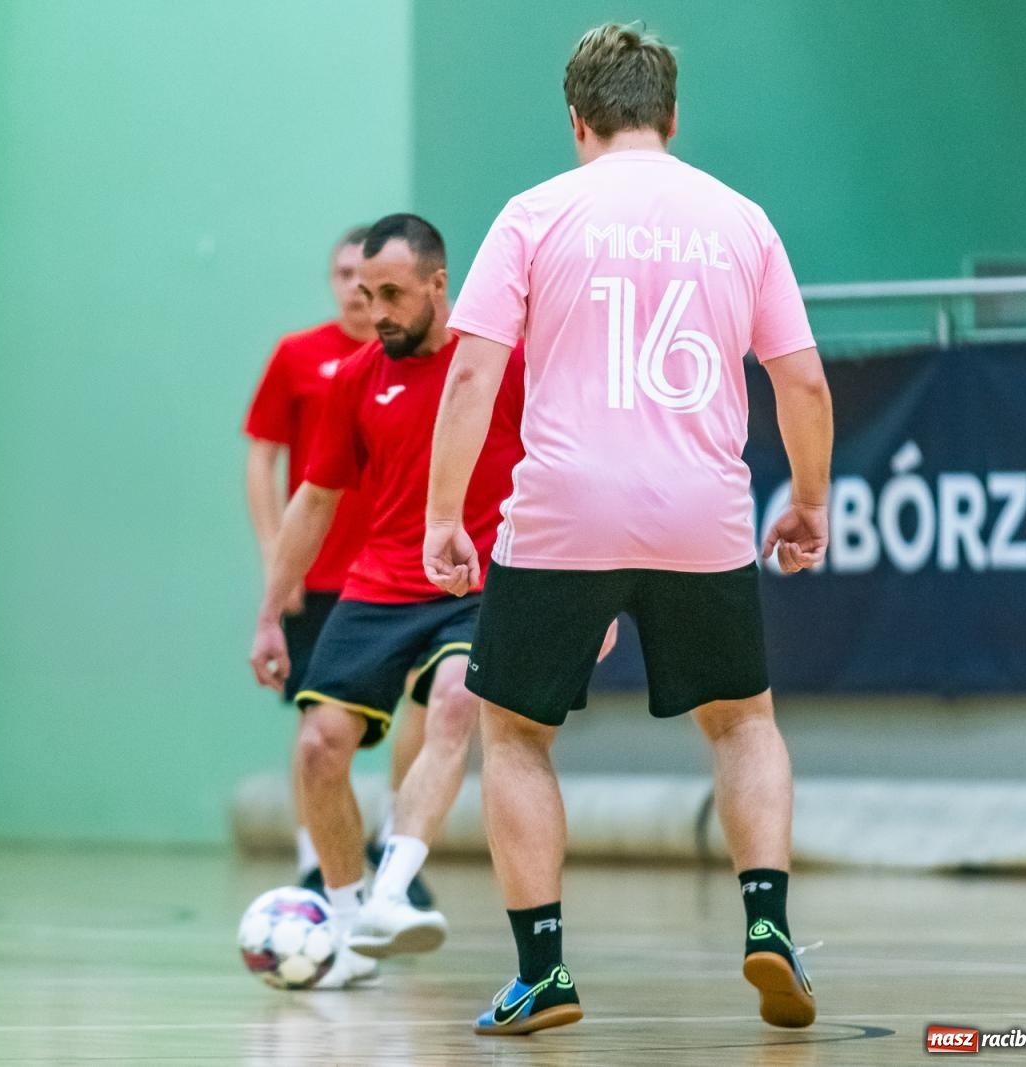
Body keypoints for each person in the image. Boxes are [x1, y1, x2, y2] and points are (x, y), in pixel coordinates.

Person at [424, 23, 833, 1035]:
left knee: (516, 731)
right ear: (671, 115)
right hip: (701, 512)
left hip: (566, 509)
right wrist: (810, 501)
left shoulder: (535, 212)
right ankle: (768, 921)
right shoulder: (740, 219)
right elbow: (802, 381)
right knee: (743, 719)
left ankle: (543, 972)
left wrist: (441, 513)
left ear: (576, 119)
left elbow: (472, 371)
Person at [251, 213, 530, 987]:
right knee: (317, 747)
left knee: (451, 704)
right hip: (378, 585)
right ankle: (344, 929)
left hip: (475, 583)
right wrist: (272, 611)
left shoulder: (501, 364)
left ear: (440, 284)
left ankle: (395, 887)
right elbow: (313, 501)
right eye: (365, 293)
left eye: (393, 294)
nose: (376, 312)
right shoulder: (357, 378)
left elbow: (565, 469)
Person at [243, 225, 432, 907]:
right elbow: (266, 460)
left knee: (435, 702)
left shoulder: (432, 361)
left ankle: (396, 845)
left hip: (412, 574)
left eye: (374, 279)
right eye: (346, 275)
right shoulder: (302, 357)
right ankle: (315, 867)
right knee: (318, 724)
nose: (359, 290)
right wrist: (275, 558)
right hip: (324, 578)